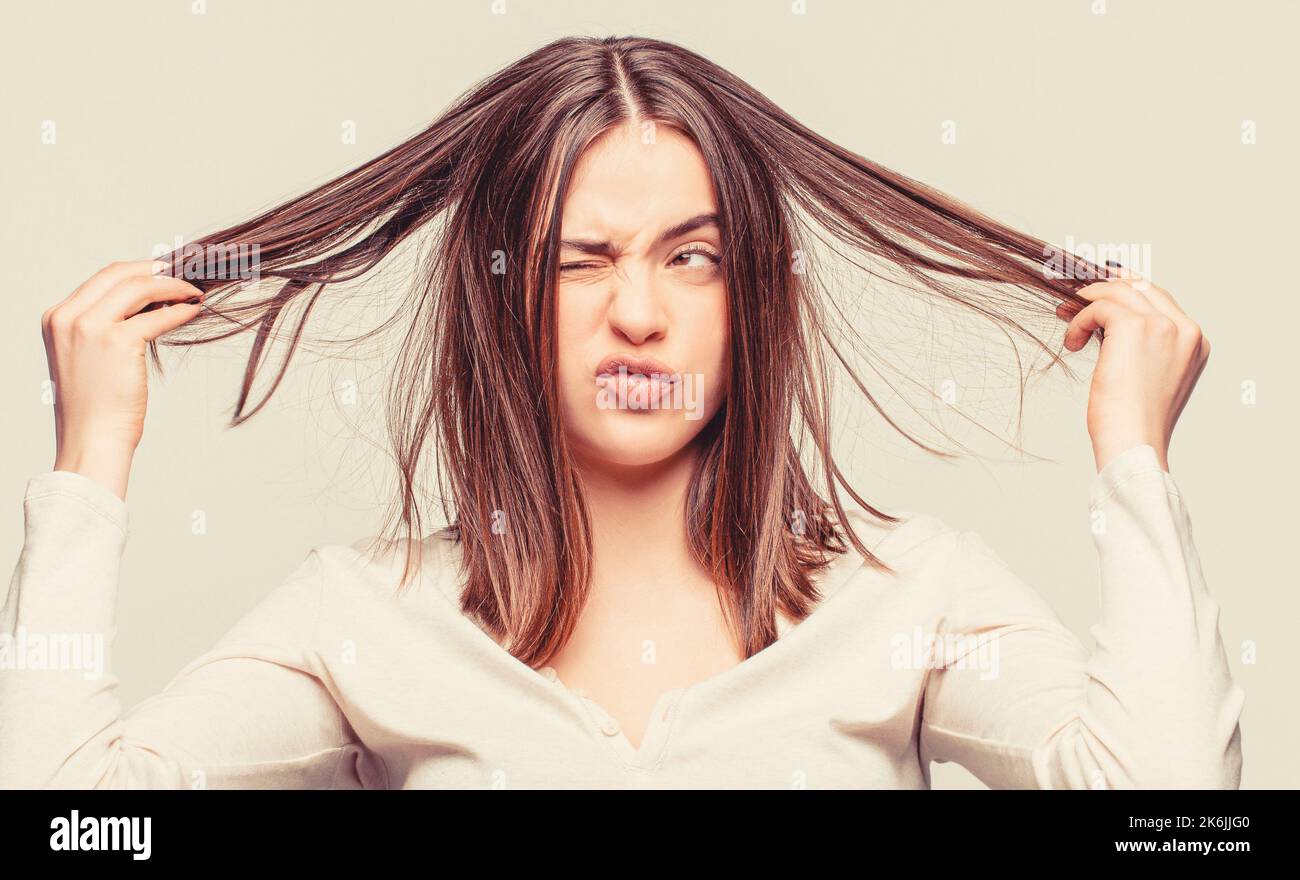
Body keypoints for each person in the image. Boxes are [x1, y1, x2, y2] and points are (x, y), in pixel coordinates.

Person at [0, 36, 1243, 789]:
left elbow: (1172, 808)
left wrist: (1133, 458)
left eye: (689, 258)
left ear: (748, 292)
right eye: (576, 261)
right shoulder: (363, 618)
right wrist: (88, 464)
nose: (637, 315)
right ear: (502, 302)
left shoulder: (910, 599)